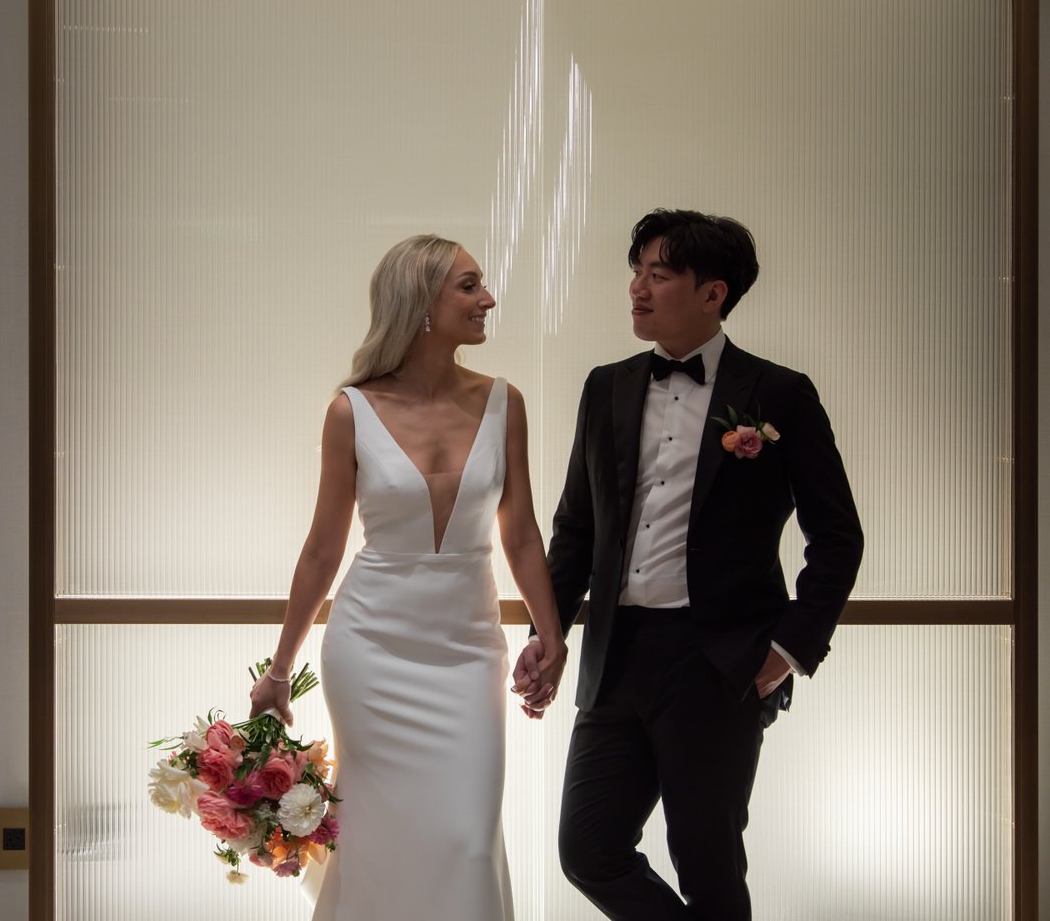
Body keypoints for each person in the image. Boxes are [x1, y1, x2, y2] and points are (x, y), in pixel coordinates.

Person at [513, 209, 863, 920]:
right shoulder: (605, 386)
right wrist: (548, 634)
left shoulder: (779, 394)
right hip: (618, 655)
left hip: (718, 662)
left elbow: (839, 536)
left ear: (713, 293)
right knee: (588, 850)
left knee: (707, 864)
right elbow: (576, 528)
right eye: (635, 271)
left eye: (659, 273)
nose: (638, 288)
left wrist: (787, 650)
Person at [249, 234, 568, 920]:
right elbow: (320, 552)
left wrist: (553, 635)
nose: (487, 300)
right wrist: (279, 672)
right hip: (371, 649)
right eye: (469, 286)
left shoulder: (505, 402)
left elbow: (521, 533)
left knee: (468, 839)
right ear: (421, 303)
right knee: (374, 839)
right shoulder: (349, 411)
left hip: (467, 649)